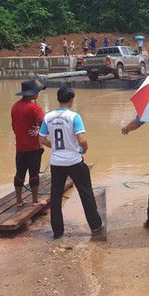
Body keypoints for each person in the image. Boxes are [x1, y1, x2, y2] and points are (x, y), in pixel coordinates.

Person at [38, 86, 103, 239]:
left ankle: (58, 231)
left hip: (56, 163)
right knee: (86, 193)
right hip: (74, 161)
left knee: (56, 196)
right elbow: (82, 139)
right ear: (71, 100)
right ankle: (95, 226)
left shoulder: (48, 117)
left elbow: (41, 139)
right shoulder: (74, 117)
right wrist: (84, 148)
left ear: (58, 99)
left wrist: (52, 145)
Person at [12, 80, 46, 206]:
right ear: (32, 94)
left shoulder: (15, 106)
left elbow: (14, 127)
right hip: (34, 147)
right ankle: (35, 201)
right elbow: (44, 121)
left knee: (20, 173)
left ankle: (19, 200)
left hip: (20, 147)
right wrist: (39, 131)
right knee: (34, 174)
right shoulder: (34, 107)